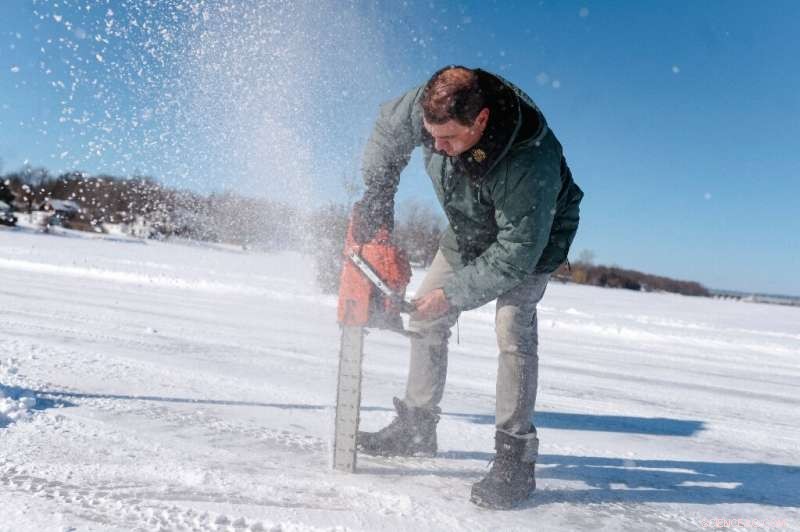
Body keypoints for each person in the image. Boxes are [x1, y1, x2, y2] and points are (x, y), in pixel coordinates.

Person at [351, 66, 583, 509]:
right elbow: (387, 129)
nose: (436, 147)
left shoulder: (527, 161)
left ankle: (515, 458)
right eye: (430, 135)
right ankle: (417, 427)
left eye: (448, 140)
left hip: (535, 239)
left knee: (512, 329)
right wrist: (379, 192)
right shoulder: (432, 105)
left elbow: (516, 252)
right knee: (424, 316)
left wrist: (454, 294)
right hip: (468, 229)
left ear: (480, 121)